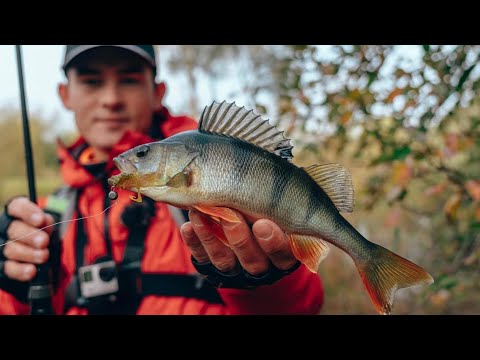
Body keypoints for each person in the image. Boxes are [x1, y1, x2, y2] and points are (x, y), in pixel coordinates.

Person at [0, 45, 324, 315]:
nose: (111, 98)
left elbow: (304, 306)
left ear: (158, 93)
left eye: (128, 80)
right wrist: (15, 285)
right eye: (91, 81)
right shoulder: (48, 217)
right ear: (65, 94)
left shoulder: (204, 177)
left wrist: (263, 279)